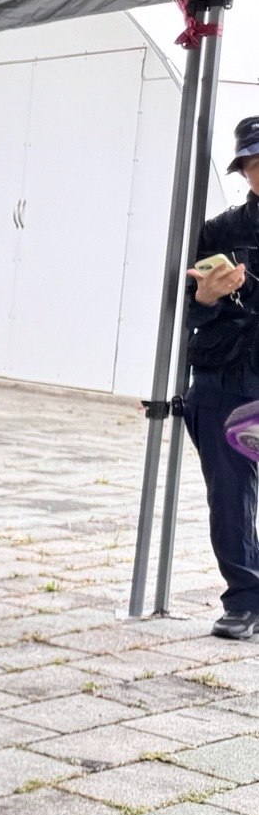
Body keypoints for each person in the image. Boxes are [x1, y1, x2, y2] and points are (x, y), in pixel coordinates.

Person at [184, 115, 259, 640]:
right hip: (226, 373)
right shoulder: (220, 231)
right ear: (244, 171)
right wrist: (207, 297)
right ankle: (244, 598)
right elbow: (186, 310)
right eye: (255, 163)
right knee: (229, 495)